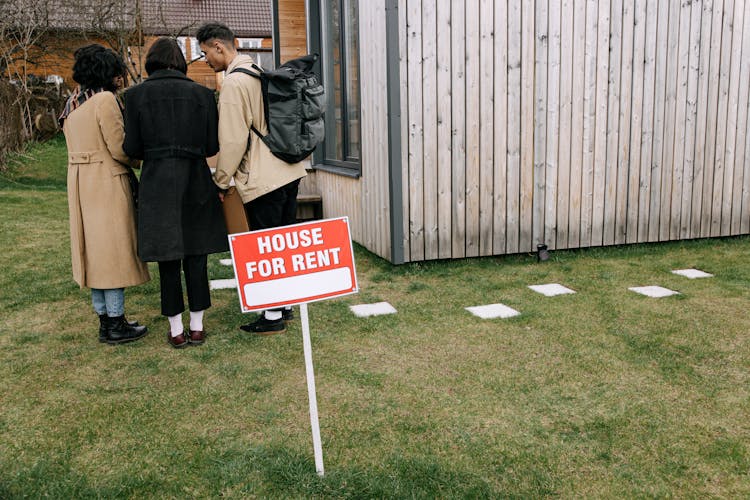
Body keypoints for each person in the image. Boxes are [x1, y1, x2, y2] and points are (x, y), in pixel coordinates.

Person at [197, 22, 307, 336]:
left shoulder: (233, 83)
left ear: (219, 46)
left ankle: (271, 316)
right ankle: (283, 307)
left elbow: (232, 141)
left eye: (205, 53)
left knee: (265, 247)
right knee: (282, 245)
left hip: (263, 176)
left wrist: (220, 181)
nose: (206, 60)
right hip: (288, 168)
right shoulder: (259, 71)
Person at [123, 37, 228, 349]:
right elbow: (212, 145)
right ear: (181, 63)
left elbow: (132, 148)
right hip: (195, 177)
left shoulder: (134, 95)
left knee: (168, 258)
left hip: (157, 181)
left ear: (151, 62)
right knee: (196, 254)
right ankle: (197, 327)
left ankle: (175, 330)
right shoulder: (203, 94)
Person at [59, 44, 150, 345]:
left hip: (81, 182)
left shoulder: (73, 102)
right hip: (107, 180)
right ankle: (116, 322)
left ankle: (105, 321)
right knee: (112, 253)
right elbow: (119, 147)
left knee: (95, 253)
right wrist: (141, 159)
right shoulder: (104, 100)